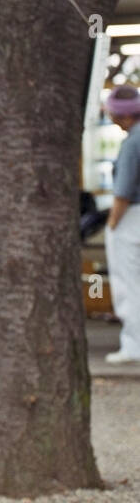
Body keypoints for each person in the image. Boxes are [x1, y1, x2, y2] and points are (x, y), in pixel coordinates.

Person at [104, 84, 140, 365]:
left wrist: (112, 223)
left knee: (129, 285)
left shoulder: (132, 143)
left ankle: (133, 344)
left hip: (131, 220)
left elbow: (123, 191)